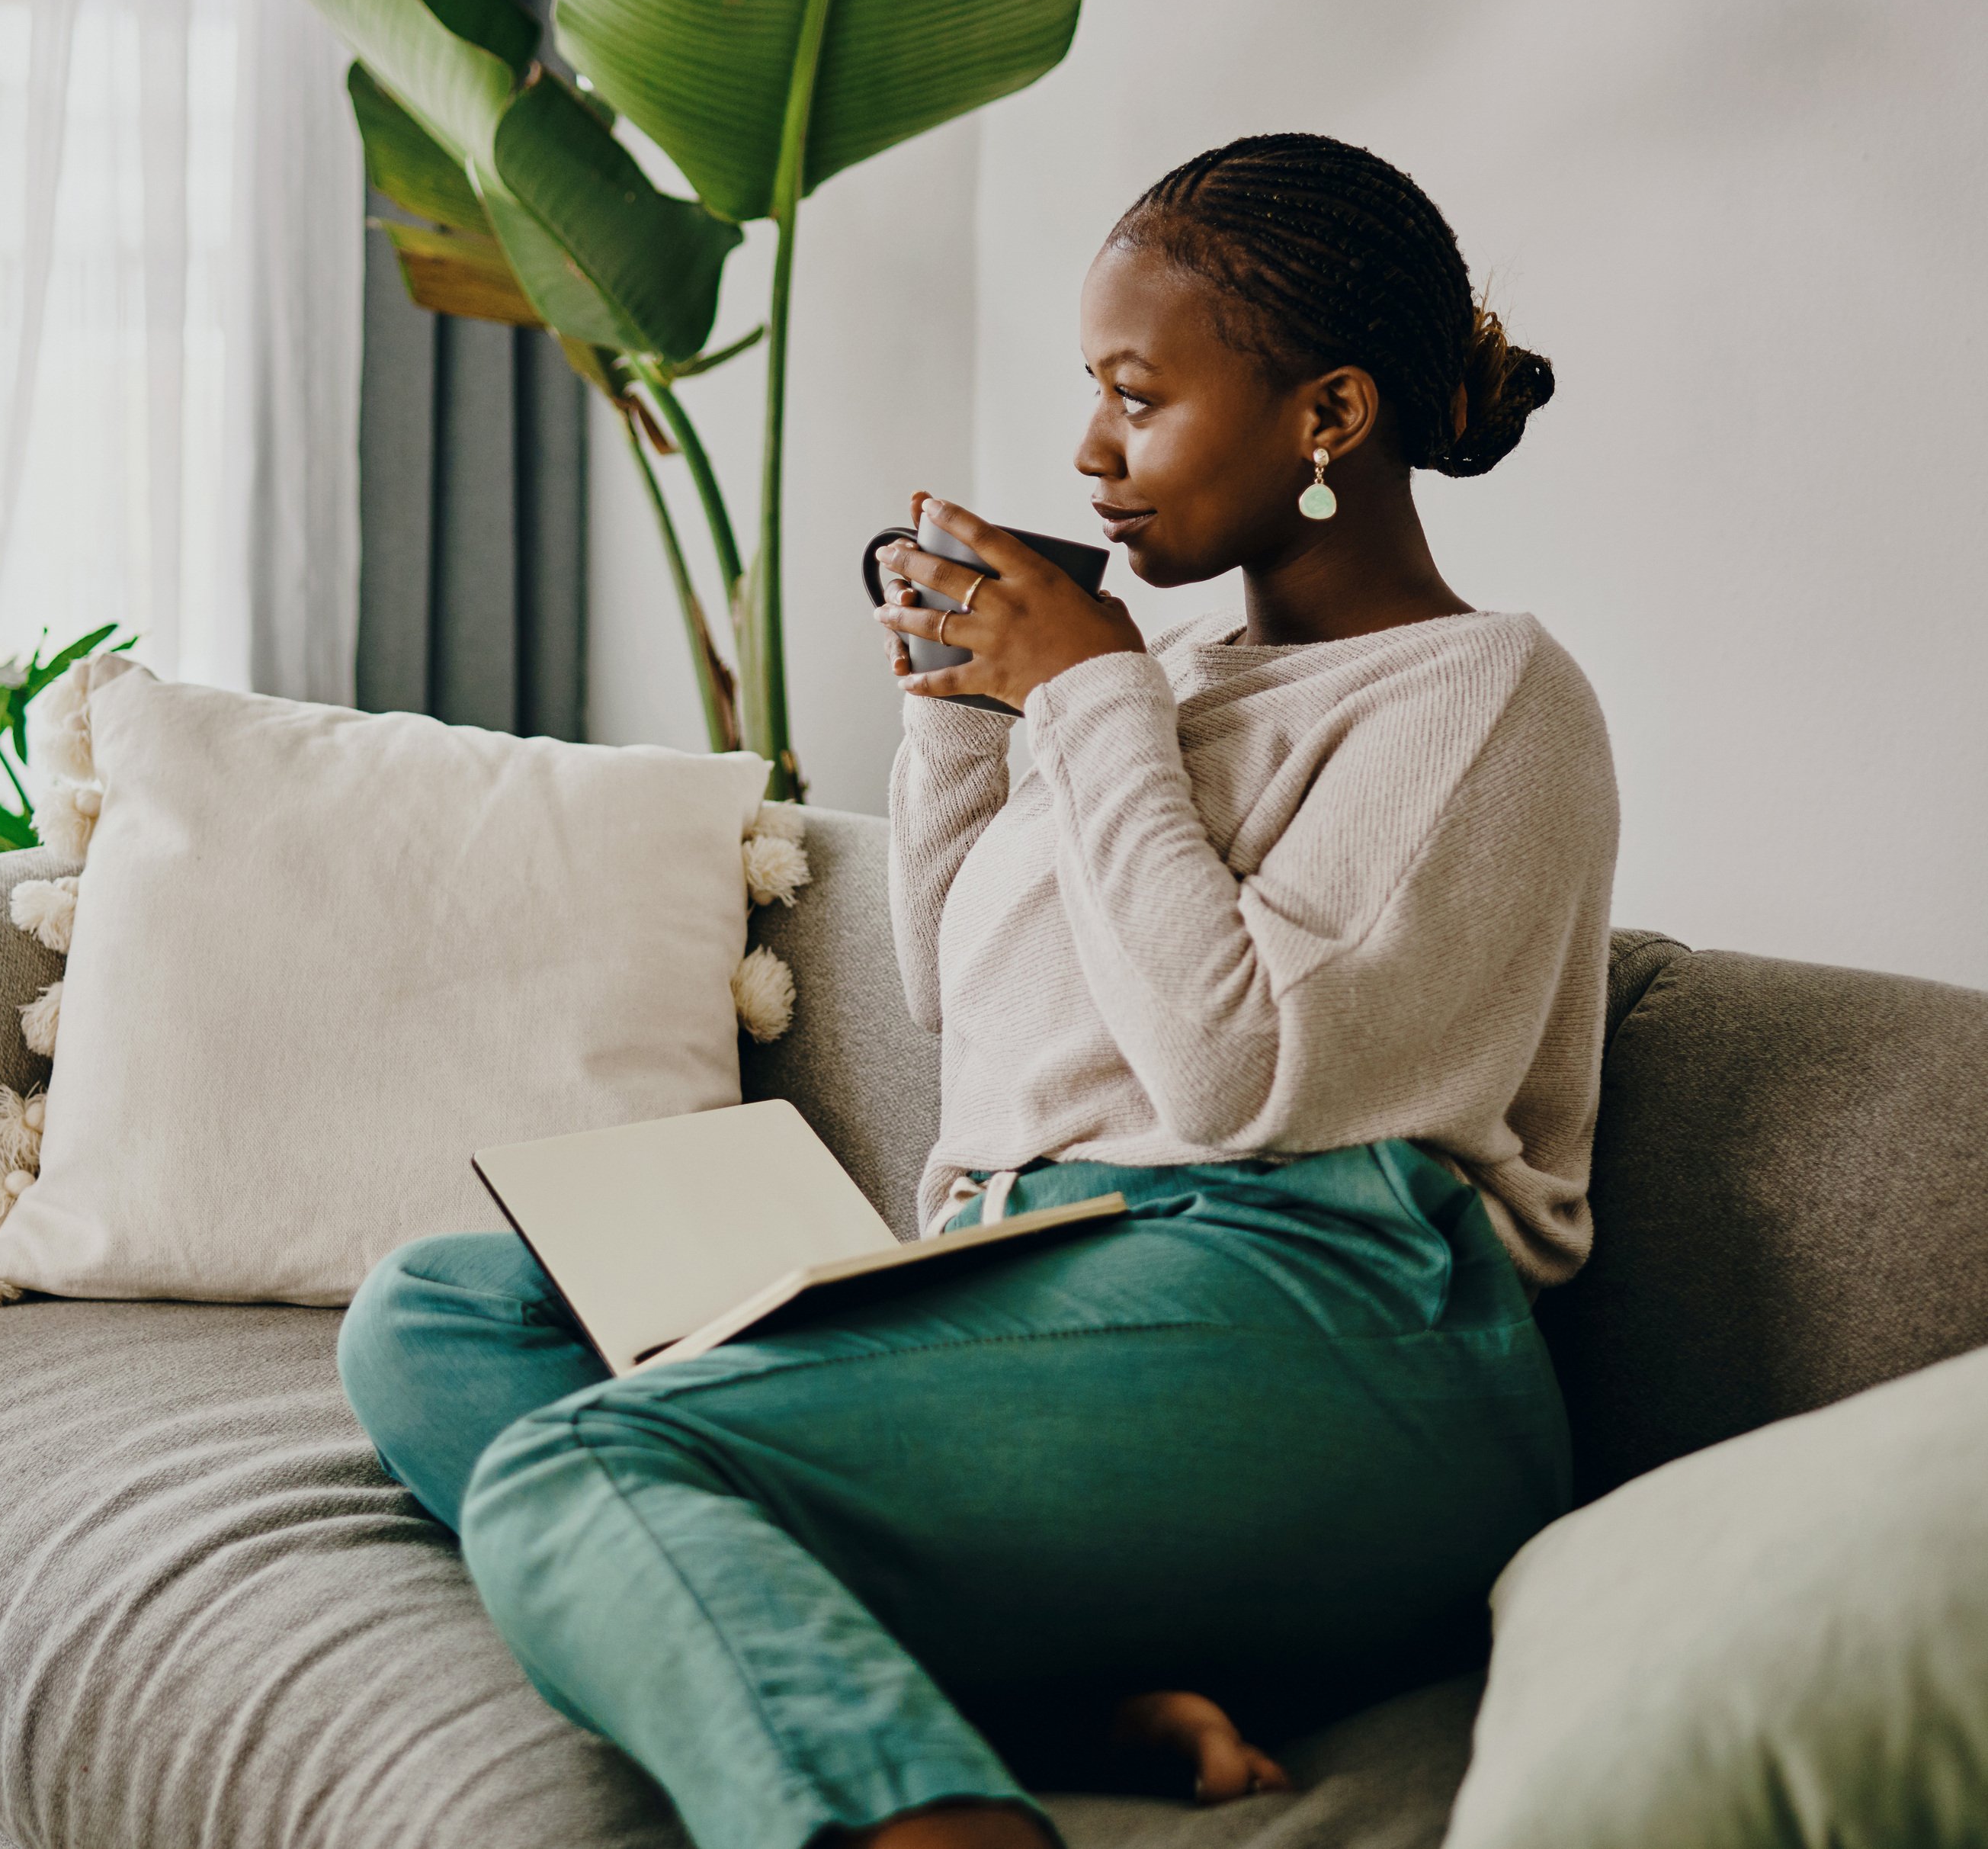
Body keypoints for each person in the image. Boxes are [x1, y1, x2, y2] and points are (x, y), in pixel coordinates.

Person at [337, 133, 1617, 1849]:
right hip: (1044, 1273)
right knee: (438, 1316)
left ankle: (922, 1815)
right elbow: (962, 1008)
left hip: (1339, 1321)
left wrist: (1091, 702)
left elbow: (1241, 1082)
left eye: (1137, 398)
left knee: (589, 1463)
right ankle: (1048, 1697)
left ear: (1328, 417)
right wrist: (966, 713)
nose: (1091, 454)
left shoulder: (1481, 694)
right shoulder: (1152, 689)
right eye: (1090, 396)